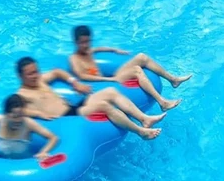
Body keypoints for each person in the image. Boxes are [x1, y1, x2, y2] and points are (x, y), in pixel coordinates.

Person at [16, 57, 165, 140]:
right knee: (104, 106)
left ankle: (144, 118)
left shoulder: (40, 80)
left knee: (111, 91)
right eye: (30, 74)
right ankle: (140, 132)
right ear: (21, 76)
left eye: (36, 71)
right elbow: (19, 113)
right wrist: (39, 114)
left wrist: (74, 83)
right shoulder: (22, 94)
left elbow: (57, 72)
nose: (35, 75)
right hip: (66, 117)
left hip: (73, 107)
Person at [69, 25, 191, 112]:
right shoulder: (74, 58)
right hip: (101, 86)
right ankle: (162, 102)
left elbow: (99, 49)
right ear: (76, 42)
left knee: (142, 57)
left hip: (109, 79)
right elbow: (82, 76)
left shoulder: (89, 51)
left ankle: (173, 79)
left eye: (88, 41)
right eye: (83, 42)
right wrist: (110, 79)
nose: (86, 45)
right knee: (137, 70)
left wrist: (114, 50)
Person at [0, 94, 59, 160]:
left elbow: (53, 137)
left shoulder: (28, 124)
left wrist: (43, 152)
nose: (19, 120)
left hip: (23, 164)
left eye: (21, 115)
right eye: (15, 116)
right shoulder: (0, 120)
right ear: (6, 114)